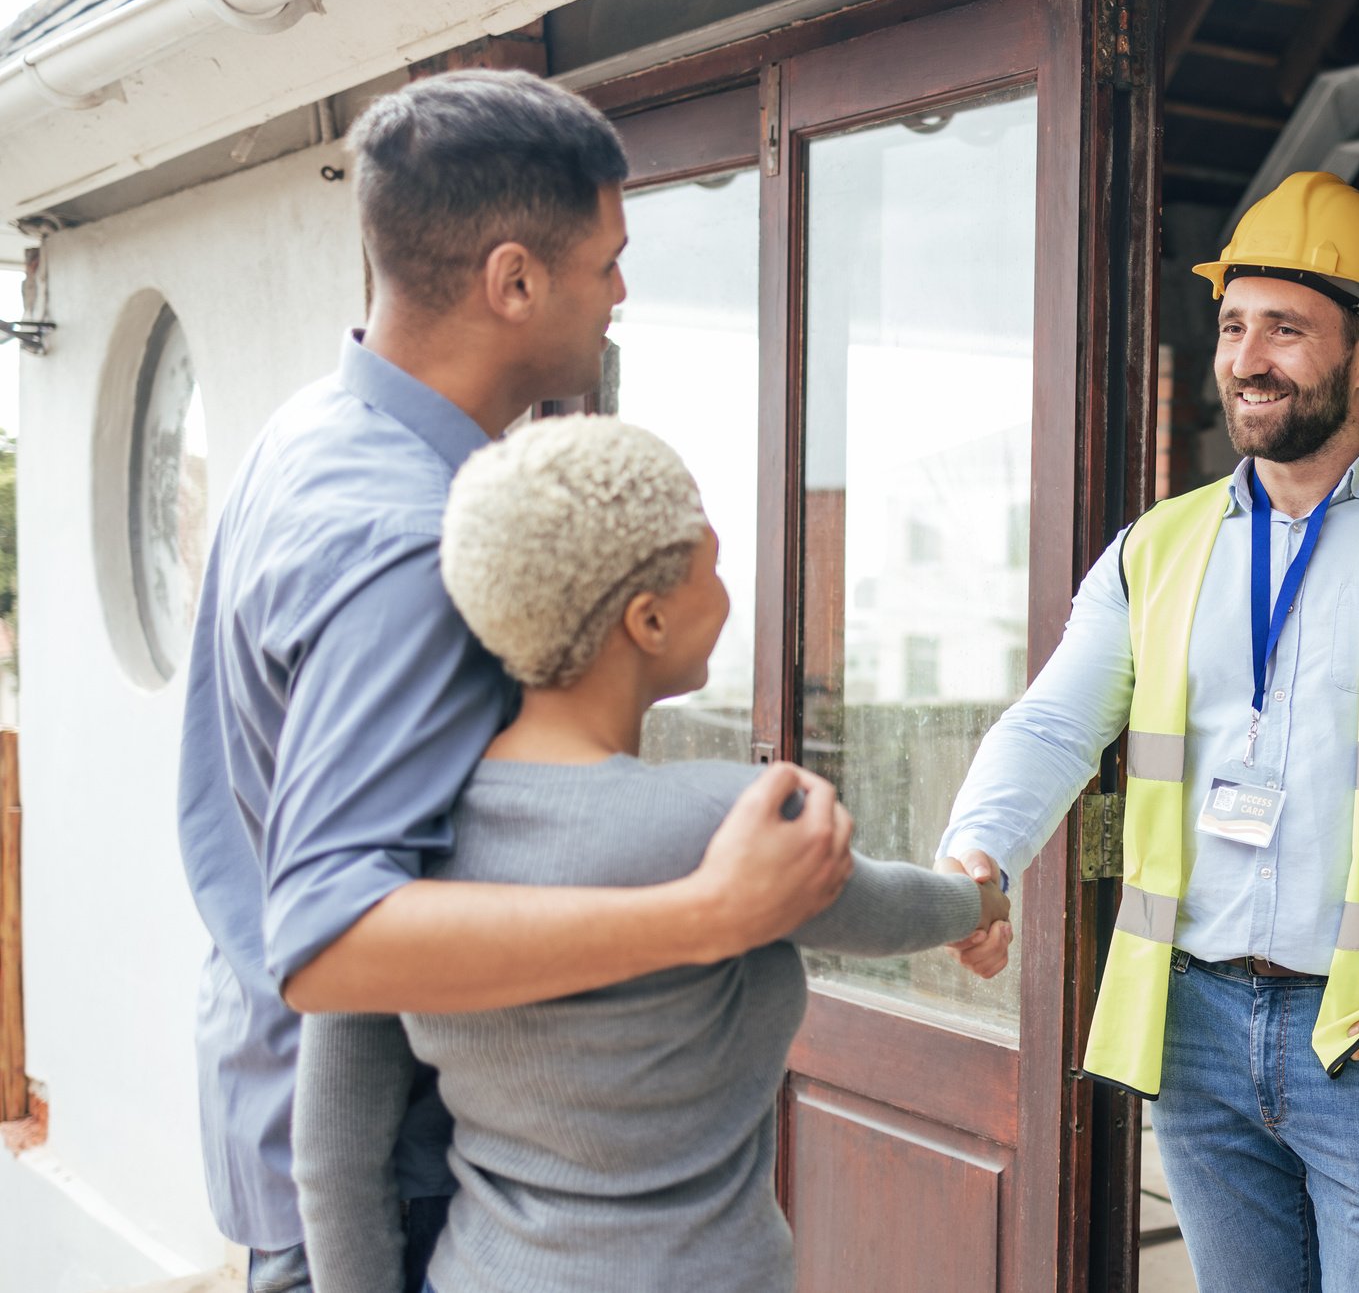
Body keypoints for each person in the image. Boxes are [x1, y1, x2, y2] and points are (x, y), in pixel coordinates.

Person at [176, 70, 856, 1293]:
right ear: (513, 279)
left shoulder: (307, 436)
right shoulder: (406, 541)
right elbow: (331, 939)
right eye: (607, 260)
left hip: (295, 1124)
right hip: (388, 1190)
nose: (620, 295)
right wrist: (707, 915)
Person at [934, 171, 1359, 1290]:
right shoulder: (1157, 546)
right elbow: (1055, 721)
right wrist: (979, 852)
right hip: (1195, 1021)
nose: (1249, 357)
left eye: (1287, 329)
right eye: (1234, 325)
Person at [292, 415, 1011, 1293]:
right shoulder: (730, 822)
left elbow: (332, 1152)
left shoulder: (402, 849)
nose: (728, 588)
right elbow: (891, 909)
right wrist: (978, 899)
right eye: (709, 559)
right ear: (648, 615)